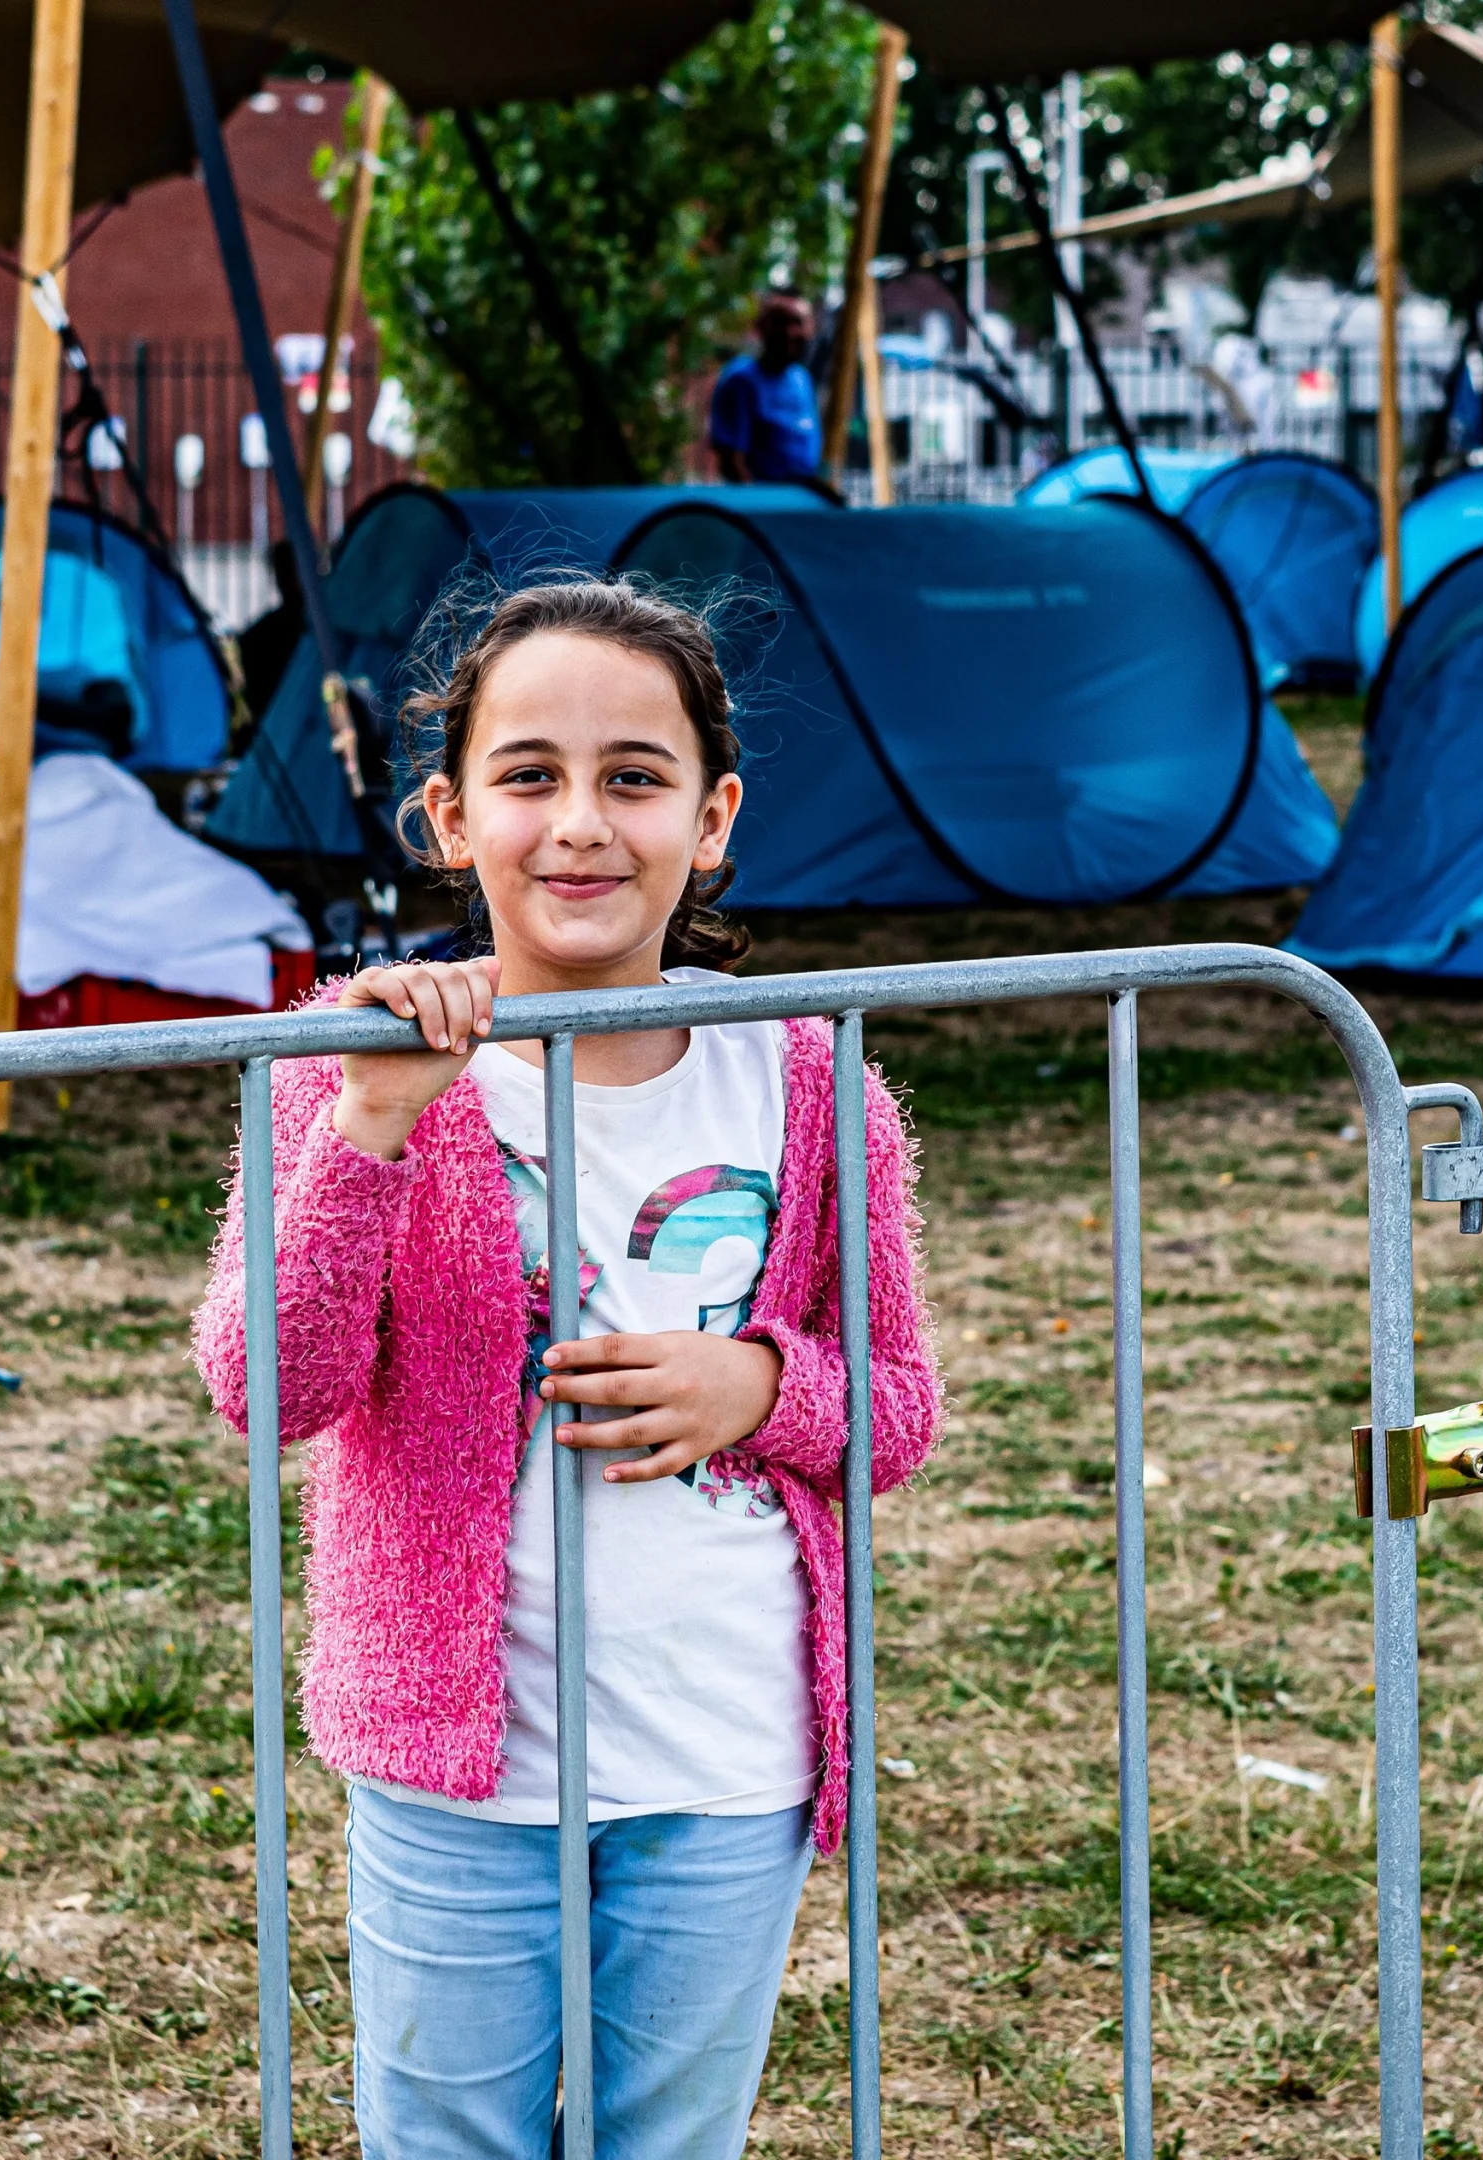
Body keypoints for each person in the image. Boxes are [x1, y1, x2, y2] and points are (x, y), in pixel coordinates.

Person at [192, 579, 939, 2160]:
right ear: (451, 819)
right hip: (461, 1774)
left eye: (634, 777)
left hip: (728, 1755)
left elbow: (895, 1404)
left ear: (712, 820)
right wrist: (374, 1129)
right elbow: (273, 1385)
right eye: (529, 776)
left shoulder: (812, 1082)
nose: (582, 823)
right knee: (448, 2138)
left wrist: (762, 1389)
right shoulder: (352, 1064)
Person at [708, 293, 824, 486]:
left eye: (798, 322)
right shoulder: (741, 381)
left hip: (803, 497)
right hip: (763, 499)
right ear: (761, 328)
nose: (789, 332)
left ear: (810, 328)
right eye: (780, 322)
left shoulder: (801, 379)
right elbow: (731, 462)